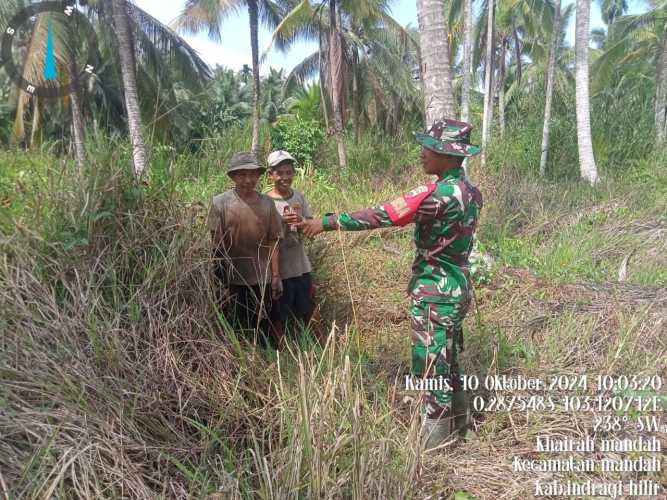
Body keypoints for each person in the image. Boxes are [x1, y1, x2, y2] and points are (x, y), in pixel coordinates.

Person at [299, 119, 483, 448]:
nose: (422, 153)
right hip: (458, 288)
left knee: (432, 367)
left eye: (430, 147)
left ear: (448, 154)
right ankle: (463, 426)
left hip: (434, 292)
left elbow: (382, 214)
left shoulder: (436, 194)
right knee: (448, 358)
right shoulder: (472, 192)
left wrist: (325, 222)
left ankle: (435, 446)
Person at [207, 152, 284, 346]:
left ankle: (268, 358)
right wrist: (220, 281)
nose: (248, 180)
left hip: (261, 277)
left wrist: (275, 276)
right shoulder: (220, 203)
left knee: (263, 324)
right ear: (232, 177)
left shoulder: (267, 203)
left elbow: (274, 239)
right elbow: (217, 246)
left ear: (259, 175)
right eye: (241, 175)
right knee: (234, 325)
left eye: (252, 174)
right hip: (233, 277)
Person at [265, 150, 316, 342]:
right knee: (279, 313)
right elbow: (264, 237)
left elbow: (310, 227)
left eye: (289, 172)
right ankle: (279, 351)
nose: (285, 177)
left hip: (300, 265)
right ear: (271, 175)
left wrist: (301, 221)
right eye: (280, 173)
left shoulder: (299, 197)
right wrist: (282, 225)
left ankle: (307, 345)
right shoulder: (266, 201)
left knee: (306, 309)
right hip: (279, 268)